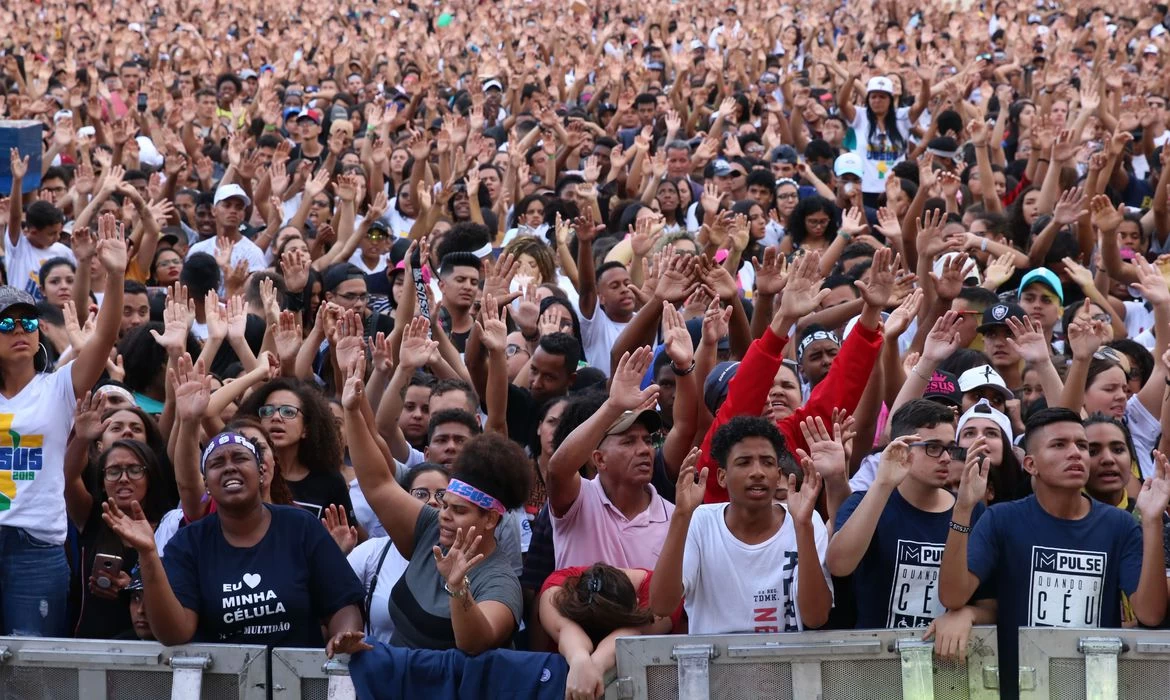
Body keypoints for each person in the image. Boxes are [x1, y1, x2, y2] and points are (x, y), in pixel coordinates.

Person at [940, 408, 1170, 699]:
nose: (1075, 453)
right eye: (1059, 445)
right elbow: (952, 596)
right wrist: (962, 509)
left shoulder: (1119, 525)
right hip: (1020, 689)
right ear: (1031, 465)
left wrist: (1151, 521)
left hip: (1097, 687)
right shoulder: (1001, 519)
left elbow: (1150, 613)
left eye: (1082, 445)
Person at [102, 428, 367, 651]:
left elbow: (342, 603)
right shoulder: (188, 543)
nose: (229, 467)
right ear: (206, 484)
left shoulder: (300, 526)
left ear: (262, 472)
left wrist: (343, 636)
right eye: (217, 463)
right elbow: (175, 633)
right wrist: (148, 554)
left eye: (240, 458)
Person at [342, 355, 531, 653]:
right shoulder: (431, 527)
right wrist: (352, 411)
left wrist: (458, 589)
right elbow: (378, 483)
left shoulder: (500, 581)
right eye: (445, 504)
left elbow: (475, 643)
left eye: (459, 511)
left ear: (491, 519)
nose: (444, 515)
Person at [0, 214, 127, 637]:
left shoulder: (57, 389)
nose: (20, 329)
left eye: (28, 322)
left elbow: (104, 339)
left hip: (36, 548)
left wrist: (114, 276)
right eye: (6, 323)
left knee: (34, 672)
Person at [650, 417, 833, 633]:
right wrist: (681, 514)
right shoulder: (700, 521)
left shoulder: (806, 520)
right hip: (713, 665)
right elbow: (661, 606)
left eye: (767, 462)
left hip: (786, 665)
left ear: (777, 476)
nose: (758, 472)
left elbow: (816, 617)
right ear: (722, 477)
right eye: (744, 462)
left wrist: (802, 526)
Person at [828, 400, 988, 629]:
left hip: (948, 658)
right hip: (879, 656)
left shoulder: (972, 509)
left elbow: (990, 604)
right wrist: (883, 483)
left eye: (950, 447)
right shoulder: (864, 501)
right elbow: (839, 565)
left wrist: (967, 614)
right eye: (933, 447)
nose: (945, 458)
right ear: (902, 448)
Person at [547, 348, 673, 570]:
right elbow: (558, 470)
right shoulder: (579, 499)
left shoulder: (672, 517)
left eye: (647, 440)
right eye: (628, 441)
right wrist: (613, 406)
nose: (644, 450)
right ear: (599, 459)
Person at [539, 563, 679, 699]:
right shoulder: (555, 589)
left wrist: (596, 664)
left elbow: (632, 632)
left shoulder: (664, 593)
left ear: (637, 604)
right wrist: (579, 659)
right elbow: (567, 629)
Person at [347, 464, 449, 644]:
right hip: (380, 668)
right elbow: (336, 602)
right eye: (421, 494)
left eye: (442, 495)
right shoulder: (371, 552)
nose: (433, 501)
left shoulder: (467, 556)